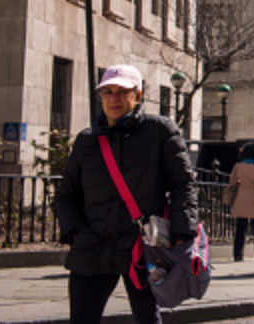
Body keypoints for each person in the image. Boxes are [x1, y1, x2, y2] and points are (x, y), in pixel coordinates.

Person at [55, 64, 197, 324]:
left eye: (122, 91)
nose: (114, 99)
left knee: (146, 317)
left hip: (141, 248)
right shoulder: (87, 141)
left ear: (138, 95)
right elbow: (66, 194)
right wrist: (75, 232)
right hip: (92, 245)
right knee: (82, 318)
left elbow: (183, 184)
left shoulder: (160, 131)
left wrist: (180, 231)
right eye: (107, 92)